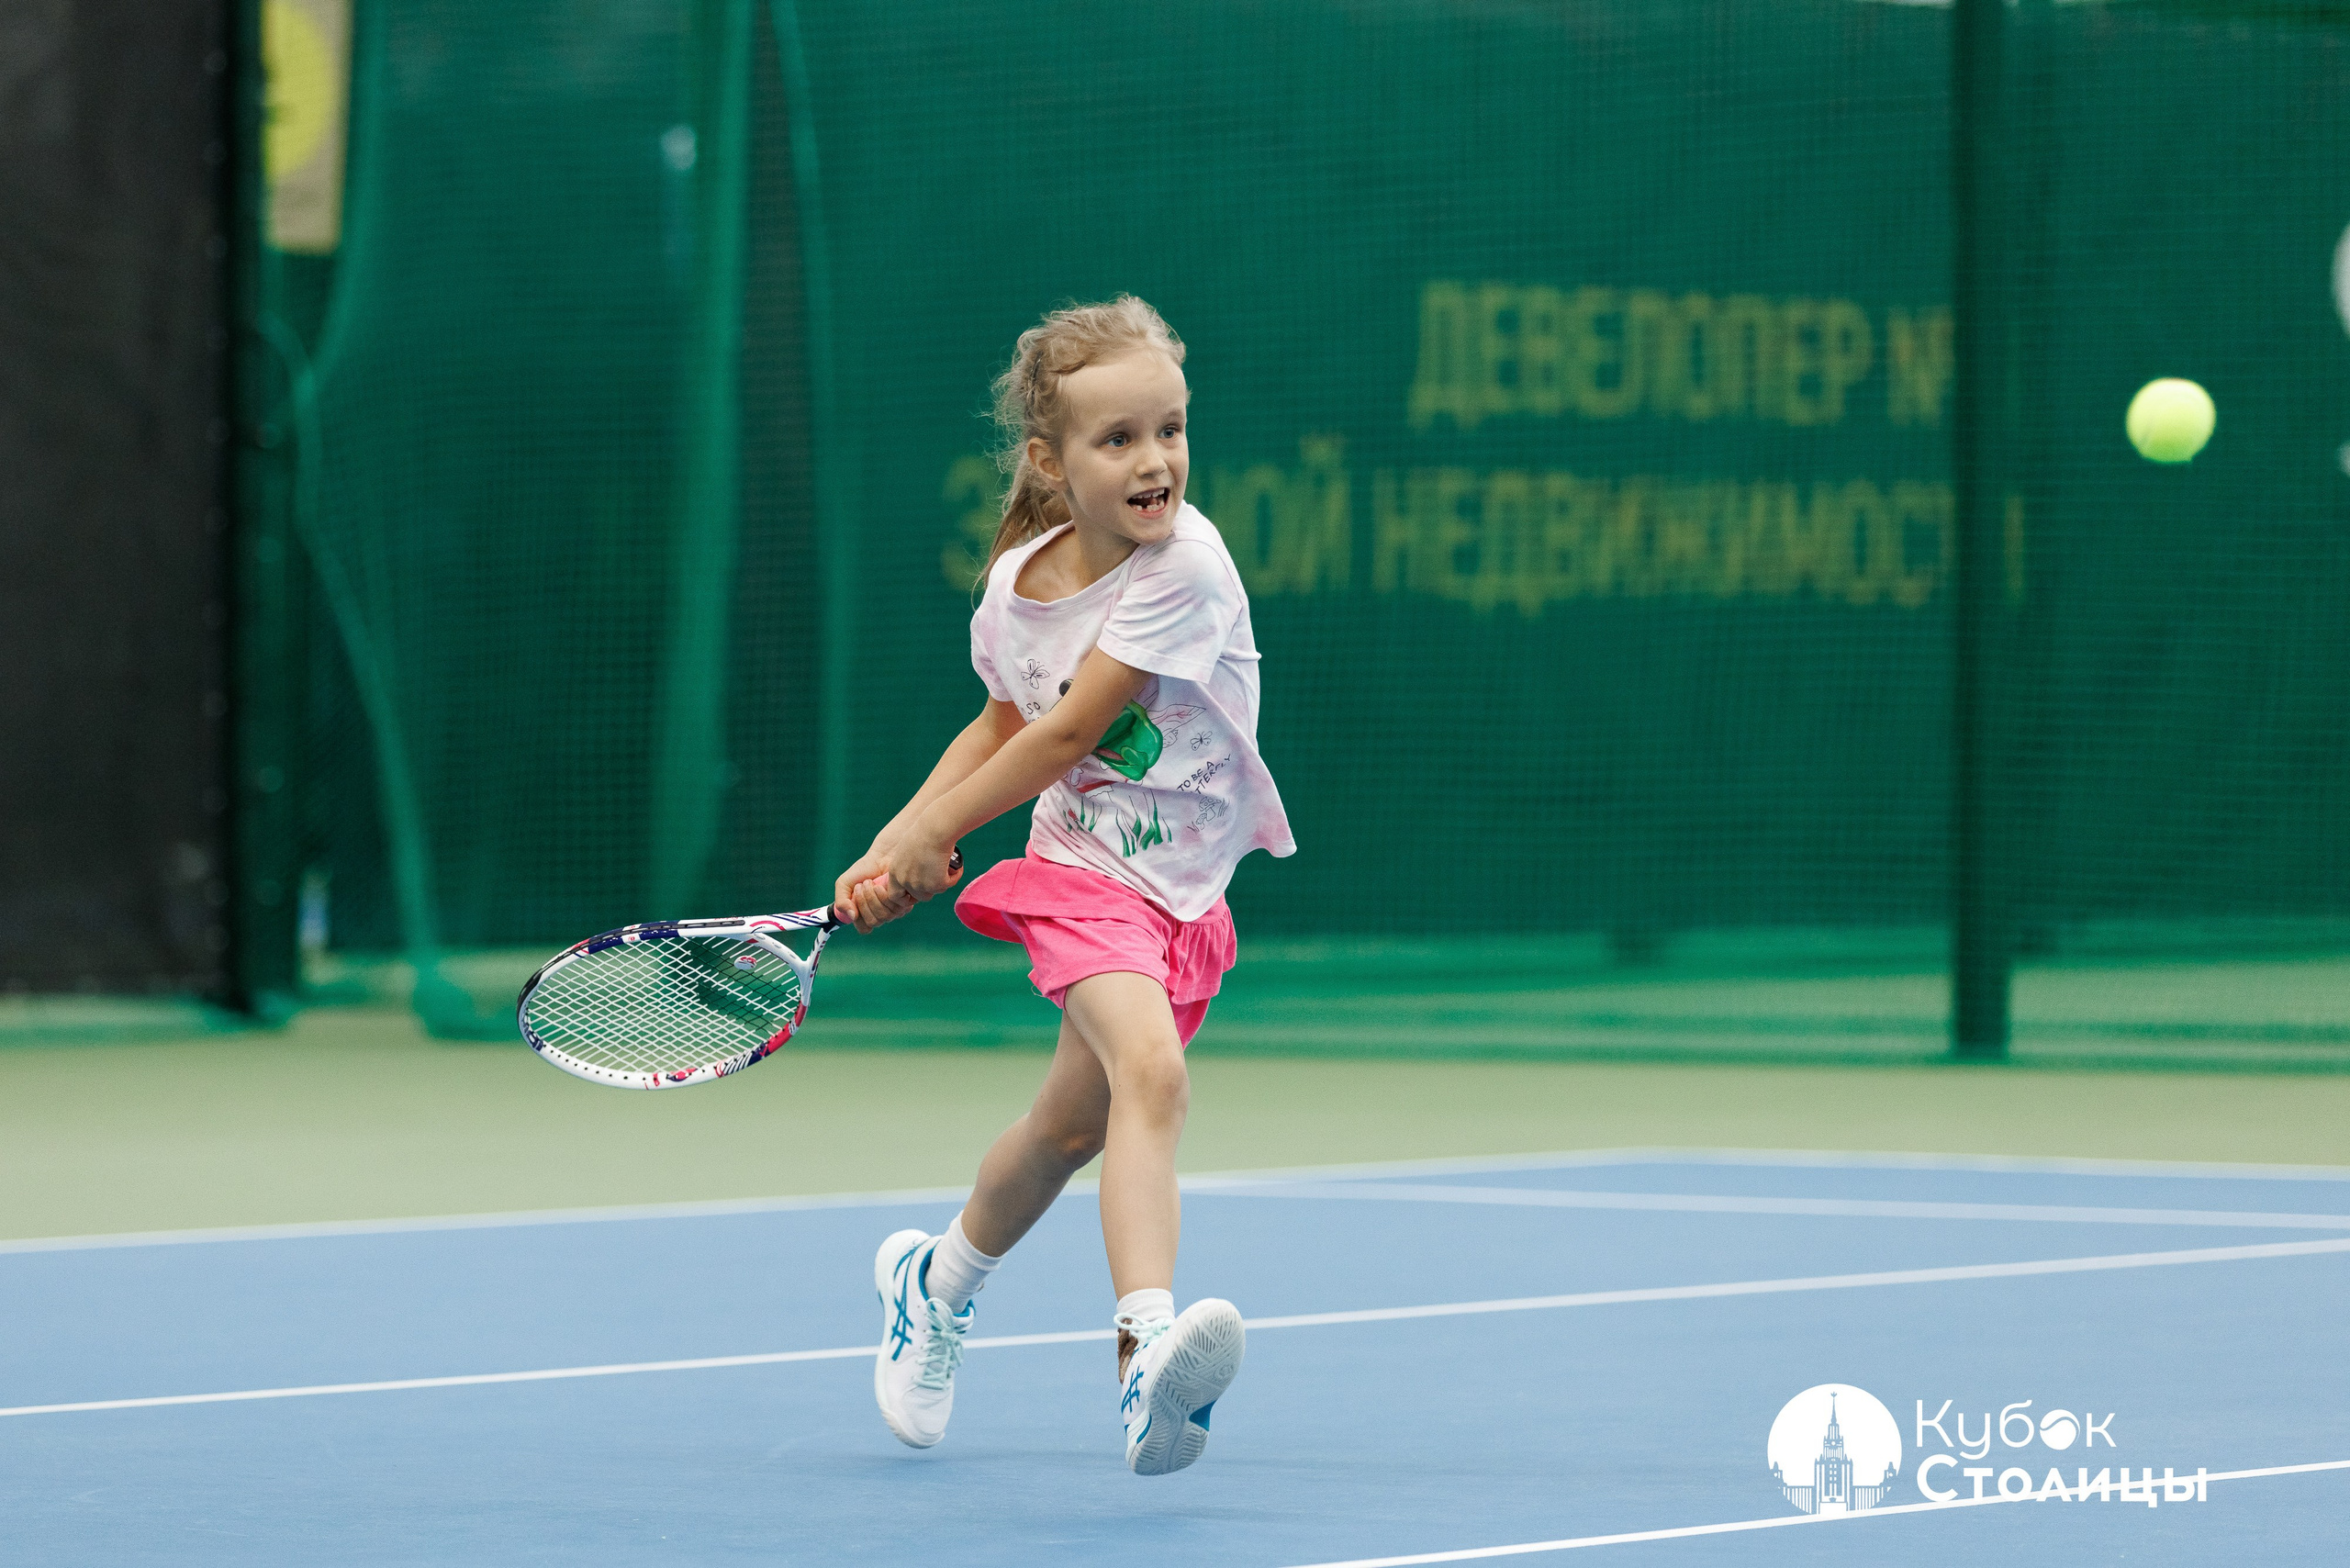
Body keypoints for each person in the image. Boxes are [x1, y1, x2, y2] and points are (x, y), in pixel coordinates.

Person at [832, 296, 1293, 1475]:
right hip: (1080, 872)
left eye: (1171, 430)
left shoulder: (1185, 565)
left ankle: (933, 1282)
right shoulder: (1013, 589)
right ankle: (1145, 1361)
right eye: (1120, 439)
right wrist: (898, 839)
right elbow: (1002, 720)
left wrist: (930, 834)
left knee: (1068, 1126)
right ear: (1051, 461)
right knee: (1154, 1072)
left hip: (1182, 891)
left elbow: (1072, 727)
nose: (1157, 461)